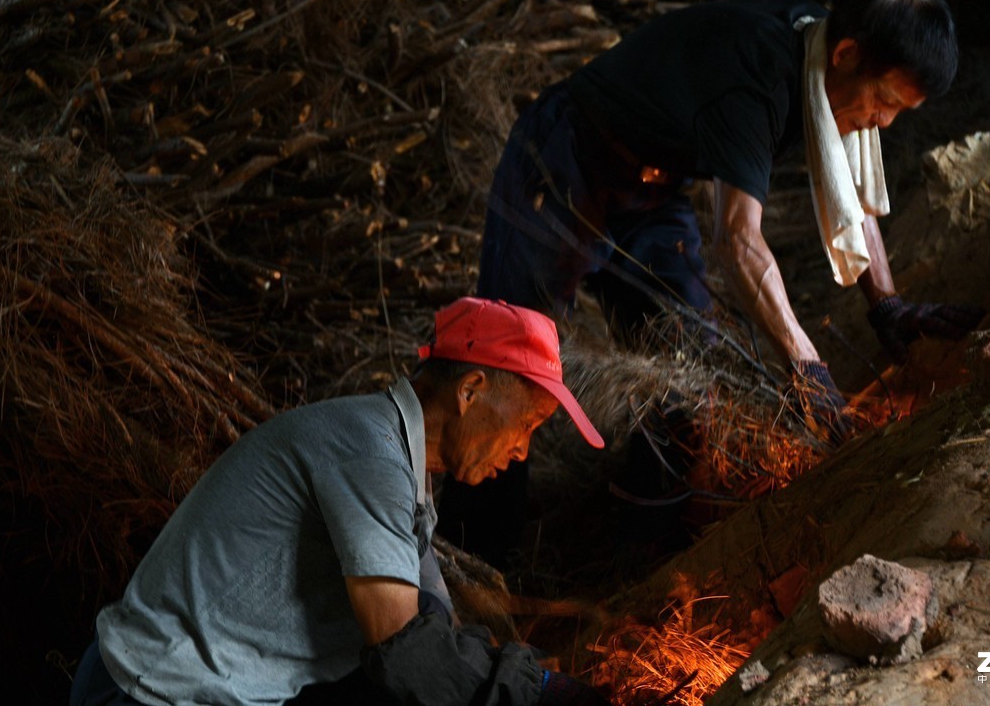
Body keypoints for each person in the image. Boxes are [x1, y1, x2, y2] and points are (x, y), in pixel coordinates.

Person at [438, 0, 985, 566]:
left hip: (651, 191)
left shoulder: (828, 59)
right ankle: (472, 560)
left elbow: (851, 192)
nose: (885, 121)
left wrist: (888, 306)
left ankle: (642, 554)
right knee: (511, 362)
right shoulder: (760, 75)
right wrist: (807, 367)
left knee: (689, 365)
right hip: (565, 158)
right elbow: (738, 240)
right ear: (847, 54)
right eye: (885, 102)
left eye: (900, 111)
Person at [69, 297, 612, 706]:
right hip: (152, 688)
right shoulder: (370, 456)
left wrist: (526, 674)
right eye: (527, 424)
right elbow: (409, 654)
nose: (522, 450)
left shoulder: (394, 454)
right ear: (470, 390)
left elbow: (432, 617)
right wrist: (539, 690)